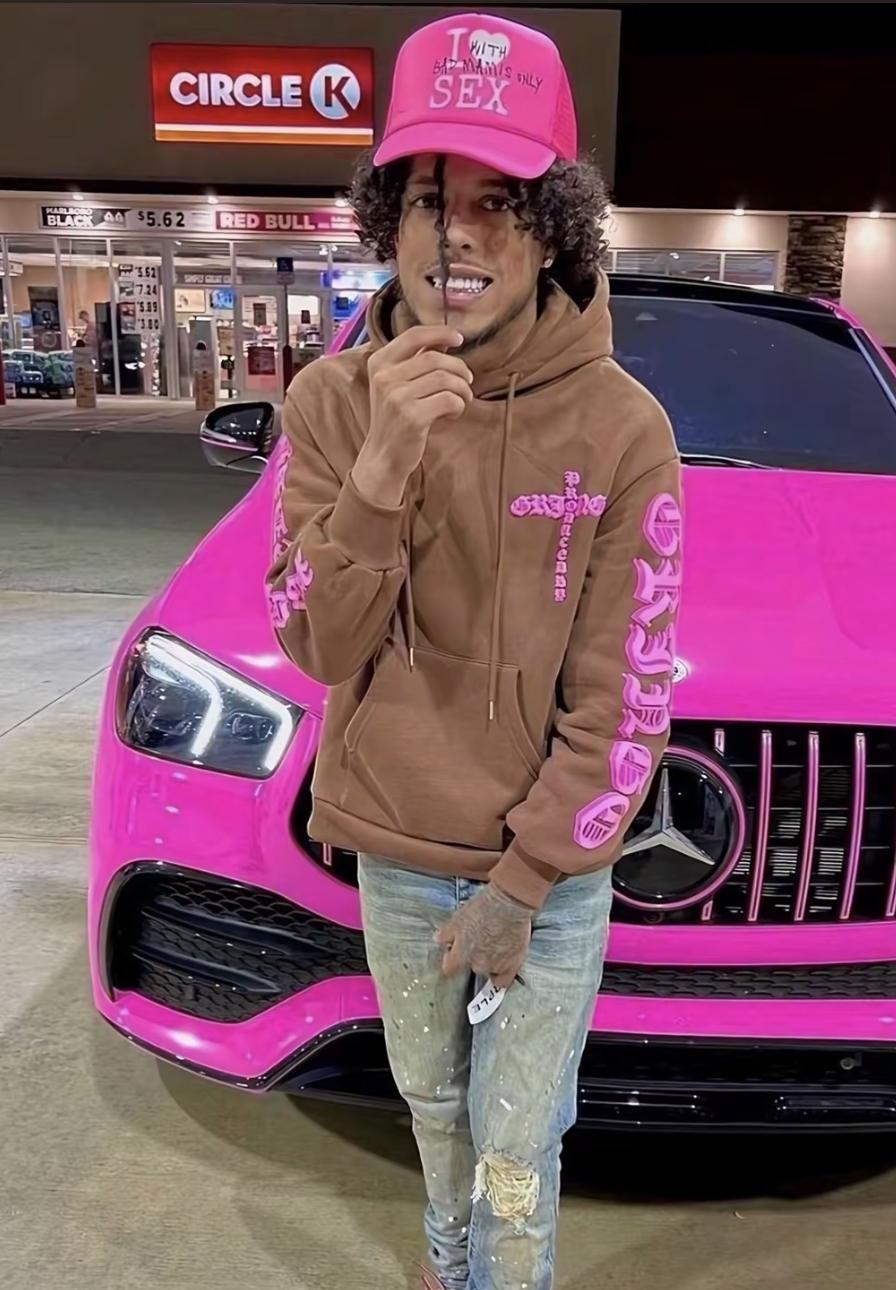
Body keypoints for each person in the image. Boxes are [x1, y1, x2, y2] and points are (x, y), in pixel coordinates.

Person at [266, 13, 681, 1288]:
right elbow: (315, 638)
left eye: (500, 202)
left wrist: (526, 879)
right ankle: (451, 1270)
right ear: (386, 219)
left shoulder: (623, 428)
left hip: (545, 877)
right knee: (436, 1111)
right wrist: (385, 463)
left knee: (517, 1136)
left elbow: (627, 693)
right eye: (428, 198)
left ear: (553, 228)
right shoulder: (331, 403)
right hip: (396, 855)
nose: (459, 235)